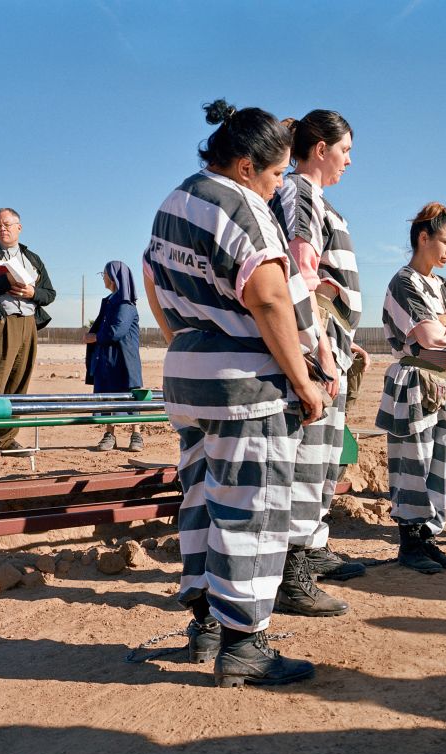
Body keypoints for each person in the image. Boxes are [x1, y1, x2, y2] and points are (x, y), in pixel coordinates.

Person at [142, 98, 328, 687]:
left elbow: (152, 278)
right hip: (248, 390)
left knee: (200, 502)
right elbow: (270, 297)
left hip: (192, 378)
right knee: (253, 510)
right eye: (275, 175)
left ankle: (207, 626)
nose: (278, 188)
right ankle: (246, 643)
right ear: (246, 165)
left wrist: (191, 341)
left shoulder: (175, 202)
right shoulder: (240, 204)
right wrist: (303, 379)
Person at [269, 109, 367, 612]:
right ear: (321, 148)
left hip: (332, 337)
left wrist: (344, 332)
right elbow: (301, 274)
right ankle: (291, 571)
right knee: (307, 458)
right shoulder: (298, 193)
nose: (350, 160)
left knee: (325, 457)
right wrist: (321, 344)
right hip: (316, 342)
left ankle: (312, 547)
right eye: (345, 150)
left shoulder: (319, 200)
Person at [376, 203, 446, 574]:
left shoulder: (445, 285)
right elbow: (430, 336)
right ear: (424, 239)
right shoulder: (404, 282)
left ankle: (428, 539)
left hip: (443, 387)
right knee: (412, 464)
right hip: (415, 384)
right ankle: (410, 543)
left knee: (438, 465)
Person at [0, 208, 56, 459]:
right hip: (0, 324)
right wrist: (5, 279)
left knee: (19, 383)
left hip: (27, 323)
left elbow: (49, 293)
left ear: (19, 227)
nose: (2, 229)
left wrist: (31, 294)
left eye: (6, 224)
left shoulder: (33, 259)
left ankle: (6, 438)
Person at [84, 261, 144, 452]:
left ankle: (137, 435)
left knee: (130, 397)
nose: (103, 276)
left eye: (104, 273)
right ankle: (110, 434)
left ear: (114, 277)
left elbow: (117, 331)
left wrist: (94, 338)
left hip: (125, 360)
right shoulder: (110, 300)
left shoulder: (125, 305)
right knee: (109, 397)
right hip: (107, 359)